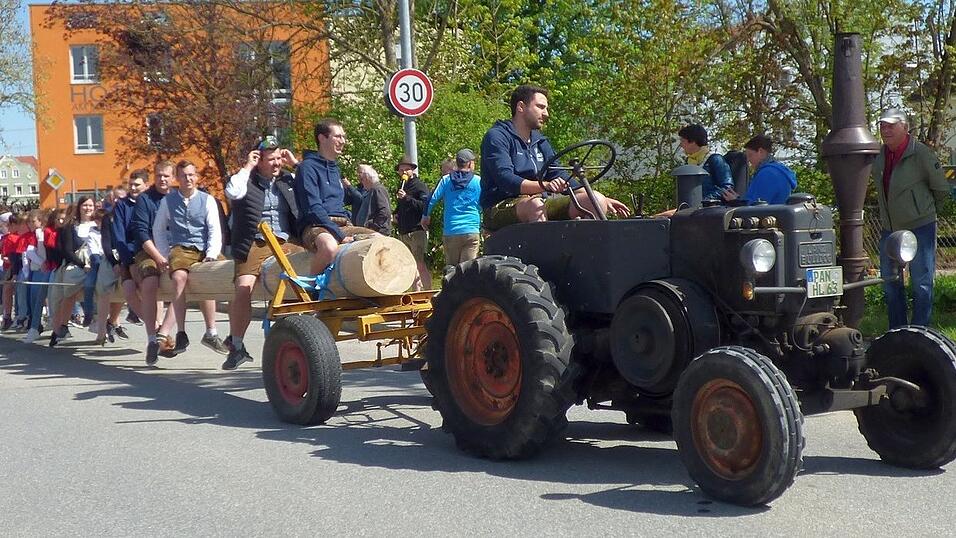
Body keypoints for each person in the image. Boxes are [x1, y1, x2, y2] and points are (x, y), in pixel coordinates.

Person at [479, 84, 630, 232]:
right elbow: (505, 179)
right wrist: (546, 185)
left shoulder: (540, 141)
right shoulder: (497, 137)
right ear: (521, 107)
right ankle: (542, 255)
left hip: (541, 201)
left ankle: (587, 253)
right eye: (540, 107)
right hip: (499, 207)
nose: (546, 114)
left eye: (546, 108)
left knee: (595, 200)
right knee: (535, 206)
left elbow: (559, 173)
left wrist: (595, 195)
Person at [223, 136, 302, 370]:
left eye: (279, 158)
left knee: (303, 279)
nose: (277, 163)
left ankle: (302, 335)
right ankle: (236, 345)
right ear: (258, 160)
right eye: (271, 159)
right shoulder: (245, 180)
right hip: (254, 242)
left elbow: (312, 187)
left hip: (286, 241)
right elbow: (233, 193)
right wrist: (247, 166)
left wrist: (296, 164)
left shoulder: (288, 179)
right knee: (243, 287)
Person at [872, 108, 950, 328]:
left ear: (905, 128)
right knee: (890, 282)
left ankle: (919, 331)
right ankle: (897, 331)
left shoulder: (921, 154)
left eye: (890, 126)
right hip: (890, 230)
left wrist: (924, 212)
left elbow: (941, 189)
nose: (885, 131)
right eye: (882, 126)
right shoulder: (879, 156)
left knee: (921, 282)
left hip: (920, 227)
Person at [152, 160, 228, 359]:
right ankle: (181, 332)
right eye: (184, 175)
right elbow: (158, 229)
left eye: (192, 175)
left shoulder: (207, 199)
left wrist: (211, 254)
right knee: (178, 277)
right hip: (181, 248)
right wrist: (163, 253)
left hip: (205, 247)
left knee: (227, 274)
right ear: (177, 178)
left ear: (197, 176)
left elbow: (214, 229)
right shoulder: (167, 201)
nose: (188, 179)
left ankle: (216, 333)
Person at [294, 119, 374, 276]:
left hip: (342, 224)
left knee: (378, 239)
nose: (343, 141)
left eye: (343, 137)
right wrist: (339, 235)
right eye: (338, 136)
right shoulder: (307, 168)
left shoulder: (335, 169)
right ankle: (310, 291)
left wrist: (342, 231)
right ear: (322, 138)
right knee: (329, 246)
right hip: (316, 226)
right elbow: (313, 208)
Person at [130, 161, 184, 365]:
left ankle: (164, 333)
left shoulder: (179, 196)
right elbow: (141, 232)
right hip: (148, 252)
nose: (163, 179)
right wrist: (159, 257)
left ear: (173, 177)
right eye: (159, 175)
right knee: (150, 282)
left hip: (176, 249)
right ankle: (152, 338)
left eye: (167, 176)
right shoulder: (145, 199)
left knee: (184, 278)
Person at [49, 197, 100, 347]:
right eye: (85, 205)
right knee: (69, 287)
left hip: (98, 260)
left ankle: (110, 322)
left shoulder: (101, 224)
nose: (88, 208)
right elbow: (67, 251)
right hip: (78, 263)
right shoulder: (70, 227)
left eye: (90, 205)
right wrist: (83, 265)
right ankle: (63, 325)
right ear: (79, 207)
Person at [422, 148, 483, 266]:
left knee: (452, 271)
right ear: (470, 164)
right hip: (471, 230)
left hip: (451, 230)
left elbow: (431, 198)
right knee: (467, 270)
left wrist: (426, 216)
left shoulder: (446, 180)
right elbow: (483, 203)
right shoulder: (478, 181)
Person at [112, 170, 147, 328]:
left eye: (137, 185)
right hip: (130, 255)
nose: (133, 188)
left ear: (145, 185)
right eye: (131, 184)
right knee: (130, 287)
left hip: (150, 253)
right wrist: (127, 259)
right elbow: (119, 235)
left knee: (152, 288)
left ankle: (159, 328)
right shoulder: (122, 205)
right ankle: (153, 325)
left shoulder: (150, 202)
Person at [721, 134, 796, 205]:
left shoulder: (767, 174)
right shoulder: (778, 171)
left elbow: (755, 207)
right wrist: (739, 199)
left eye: (750, 155)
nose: (748, 160)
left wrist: (735, 201)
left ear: (760, 151)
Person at [394, 157, 432, 290]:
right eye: (401, 170)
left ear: (412, 170)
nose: (404, 172)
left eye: (407, 169)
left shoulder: (419, 185)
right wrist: (396, 213)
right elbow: (402, 205)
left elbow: (424, 206)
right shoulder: (401, 186)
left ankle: (428, 292)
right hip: (404, 231)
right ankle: (416, 292)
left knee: (419, 263)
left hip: (417, 231)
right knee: (409, 265)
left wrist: (407, 198)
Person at [678, 124, 733, 200]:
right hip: (692, 208)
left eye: (683, 141)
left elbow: (727, 188)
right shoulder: (688, 162)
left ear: (693, 141)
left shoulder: (715, 159)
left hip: (712, 209)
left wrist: (704, 200)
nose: (681, 145)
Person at [352, 164, 392, 235]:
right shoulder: (371, 191)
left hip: (377, 233)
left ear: (367, 178)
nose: (361, 182)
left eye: (362, 179)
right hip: (370, 232)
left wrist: (373, 227)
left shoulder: (377, 189)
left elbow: (384, 211)